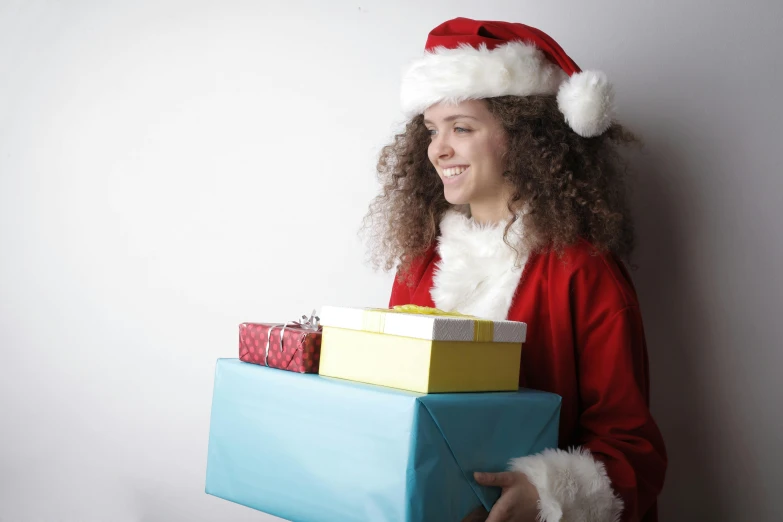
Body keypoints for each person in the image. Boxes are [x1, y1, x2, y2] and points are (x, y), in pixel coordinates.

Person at [362, 17, 668, 522]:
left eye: (462, 127)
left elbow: (632, 451)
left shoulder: (583, 271)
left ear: (523, 138)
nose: (439, 149)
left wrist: (545, 495)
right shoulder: (421, 263)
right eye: (432, 130)